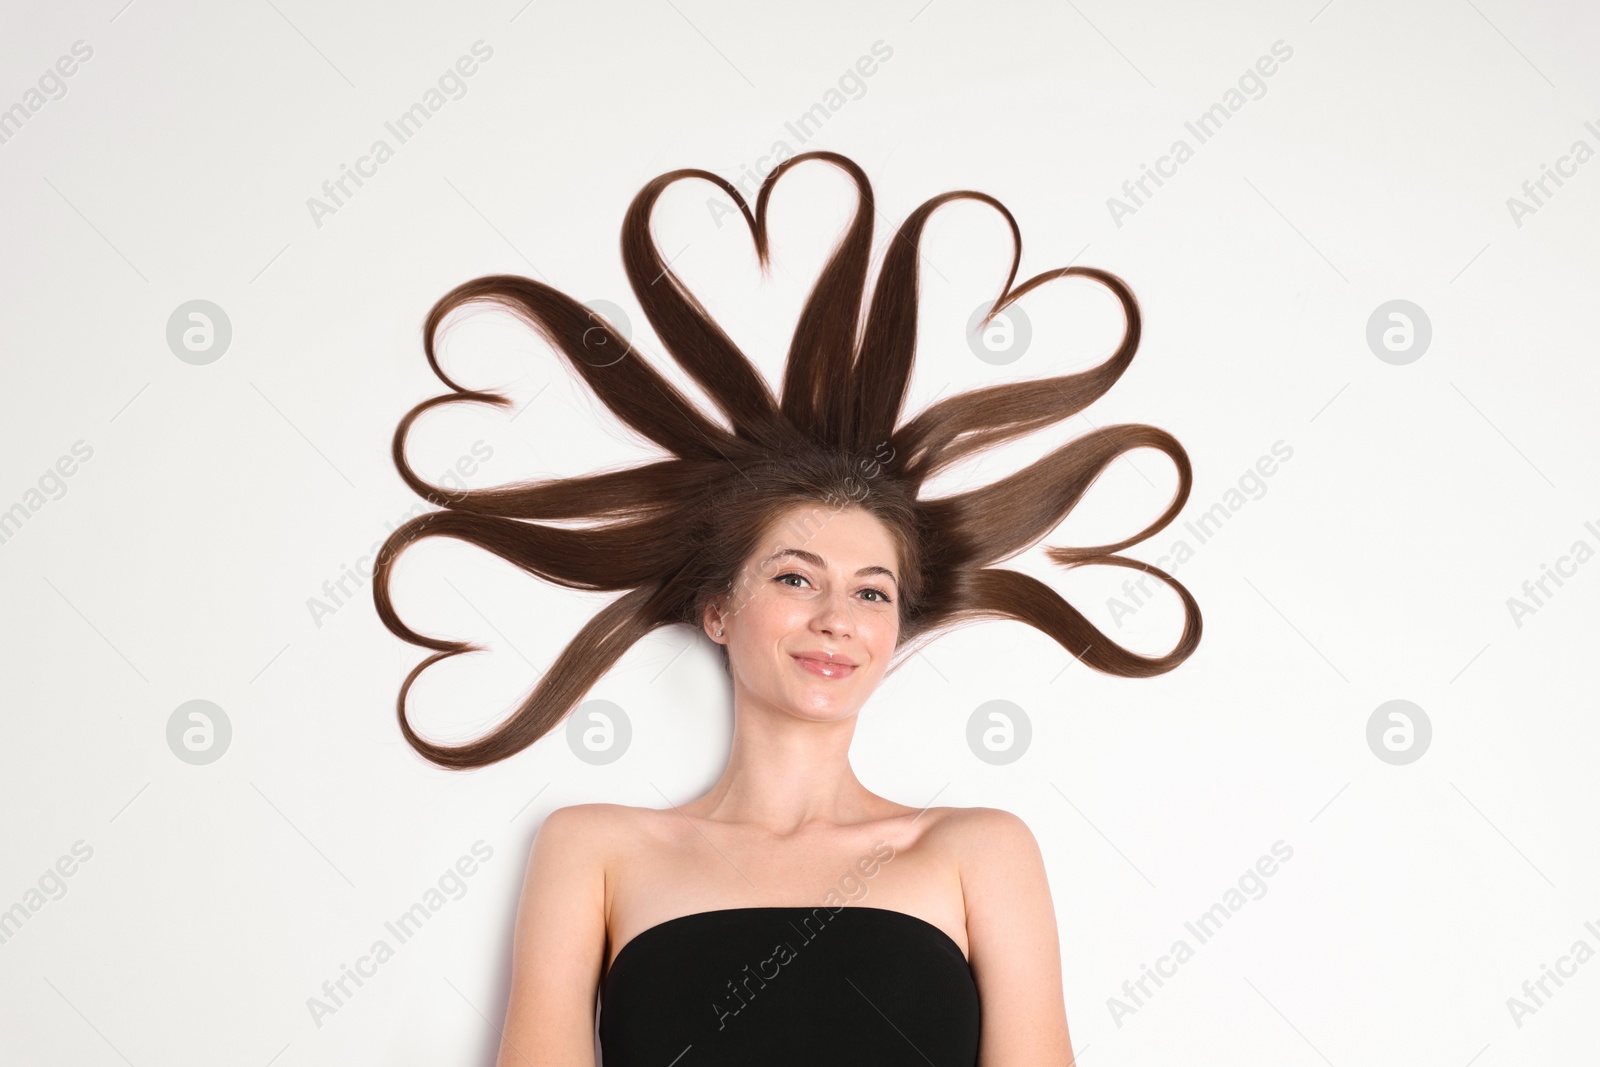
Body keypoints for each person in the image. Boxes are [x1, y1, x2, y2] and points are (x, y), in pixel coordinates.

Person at [373, 151, 1201, 1065]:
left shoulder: (979, 851)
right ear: (718, 611)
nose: (837, 616)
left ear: (895, 631)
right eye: (796, 578)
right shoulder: (594, 848)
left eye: (871, 591)